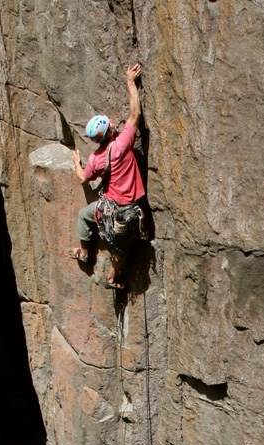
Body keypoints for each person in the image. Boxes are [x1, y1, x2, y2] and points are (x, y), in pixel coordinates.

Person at [69, 63, 146, 289]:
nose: (113, 122)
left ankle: (85, 252)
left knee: (84, 215)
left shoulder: (95, 159)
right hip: (126, 211)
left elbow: (83, 178)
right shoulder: (122, 144)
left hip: (107, 206)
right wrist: (130, 83)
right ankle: (112, 278)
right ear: (110, 131)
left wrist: (76, 162)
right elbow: (135, 114)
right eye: (110, 123)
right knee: (121, 249)